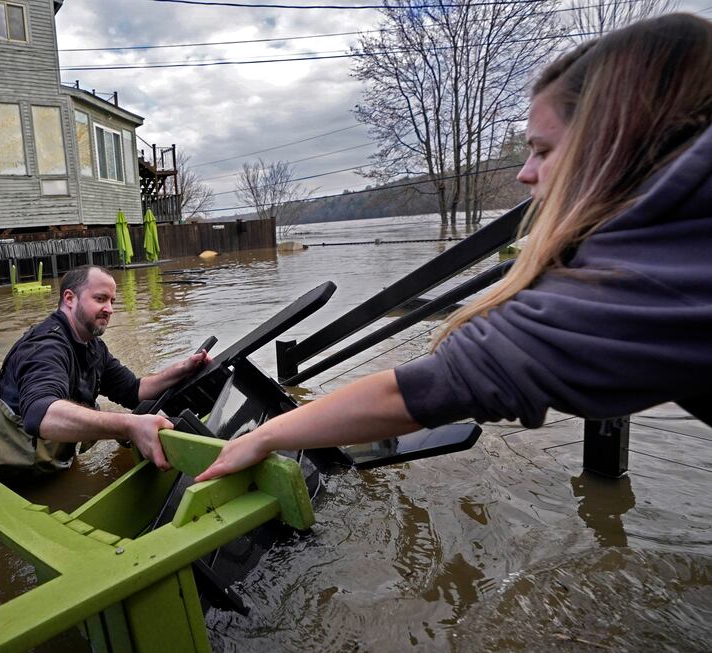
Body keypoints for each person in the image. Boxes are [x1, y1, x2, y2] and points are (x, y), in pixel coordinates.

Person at [197, 14, 712, 482]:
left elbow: (420, 391)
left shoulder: (642, 279)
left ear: (617, 142)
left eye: (544, 150)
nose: (524, 172)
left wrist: (264, 435)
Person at [0, 264, 209, 481]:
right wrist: (128, 425)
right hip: (5, 480)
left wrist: (183, 369)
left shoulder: (92, 345)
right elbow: (39, 415)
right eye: (101, 298)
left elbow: (133, 390)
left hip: (50, 466)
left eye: (112, 300)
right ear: (70, 299)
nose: (110, 309)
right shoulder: (44, 347)